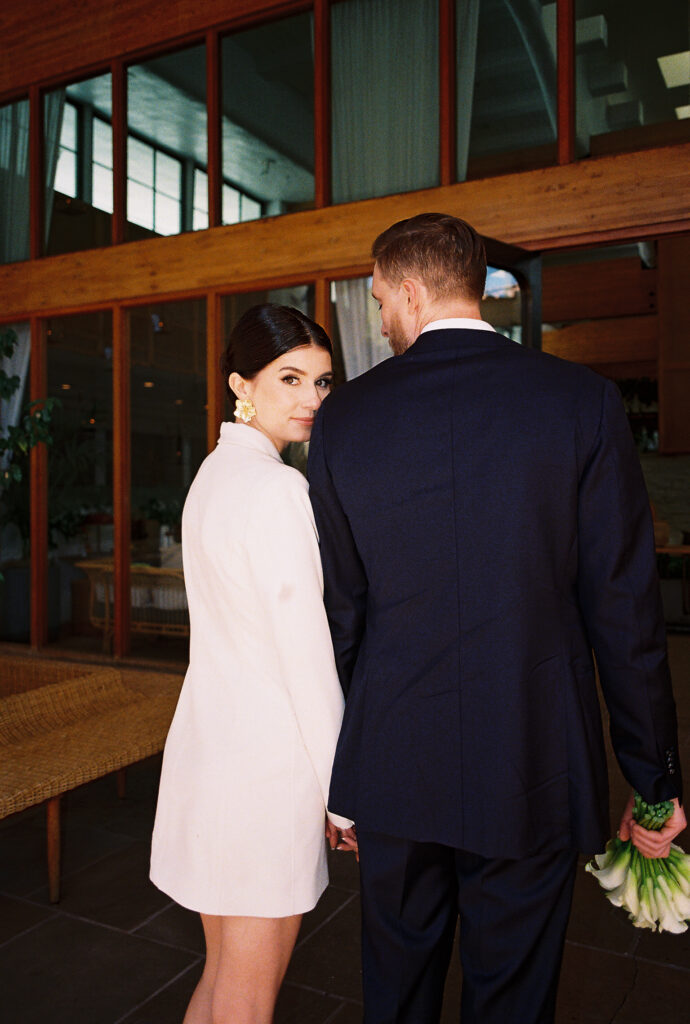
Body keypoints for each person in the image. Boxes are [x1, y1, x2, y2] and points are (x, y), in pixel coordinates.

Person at [306, 213, 685, 1024]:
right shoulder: (582, 402)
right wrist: (653, 779)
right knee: (512, 999)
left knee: (396, 993)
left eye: (378, 300)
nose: (377, 319)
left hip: (396, 761)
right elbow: (625, 609)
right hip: (533, 757)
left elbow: (342, 612)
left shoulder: (343, 420)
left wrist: (344, 775)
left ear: (410, 291)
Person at [150, 304, 355, 1024]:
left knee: (221, 982)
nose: (311, 399)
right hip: (263, 779)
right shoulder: (277, 489)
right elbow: (305, 658)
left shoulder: (211, 477)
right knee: (247, 1000)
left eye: (323, 382)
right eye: (290, 378)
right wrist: (343, 789)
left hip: (210, 759)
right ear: (242, 383)